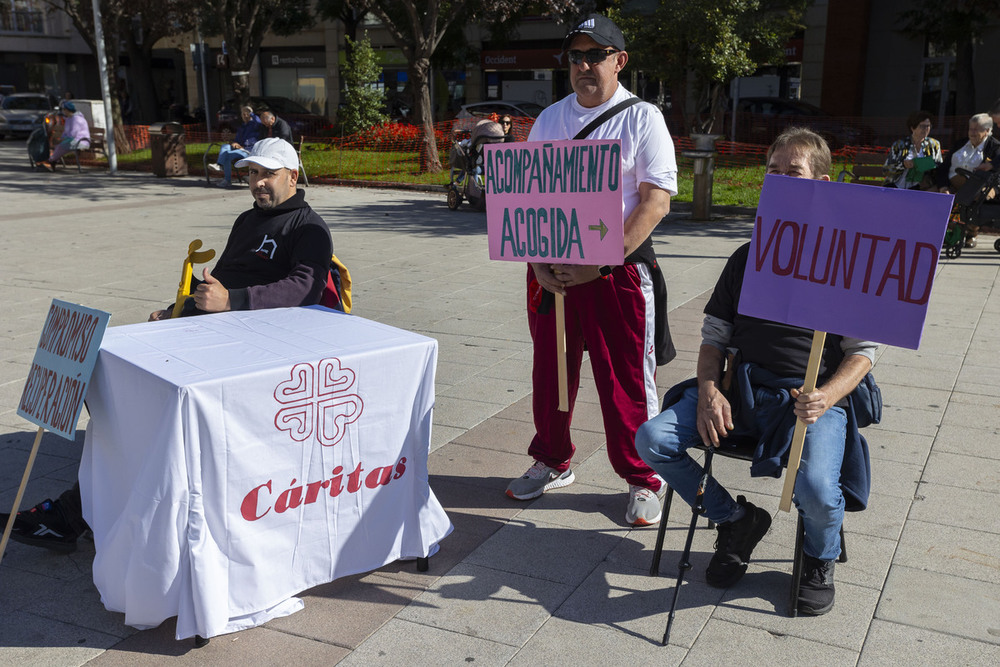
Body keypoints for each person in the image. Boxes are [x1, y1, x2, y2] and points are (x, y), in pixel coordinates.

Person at [3, 137, 336, 553]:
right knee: (104, 361)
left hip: (252, 344)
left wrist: (234, 300)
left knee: (151, 404)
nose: (258, 183)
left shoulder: (308, 228)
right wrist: (173, 308)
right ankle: (106, 468)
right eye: (252, 173)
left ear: (291, 174)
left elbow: (304, 287)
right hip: (208, 329)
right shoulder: (248, 221)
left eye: (267, 174)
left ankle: (75, 513)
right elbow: (217, 277)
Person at [634, 127, 878, 616]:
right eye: (773, 173)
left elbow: (863, 353)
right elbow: (714, 338)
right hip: (739, 391)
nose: (782, 181)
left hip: (811, 399)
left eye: (795, 172)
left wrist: (827, 396)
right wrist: (707, 390)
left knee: (814, 490)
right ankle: (736, 519)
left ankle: (817, 556)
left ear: (822, 183)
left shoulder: (846, 260)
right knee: (651, 440)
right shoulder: (748, 256)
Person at [504, 14, 678, 527]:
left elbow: (656, 202)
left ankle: (645, 476)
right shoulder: (550, 120)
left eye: (595, 55)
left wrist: (598, 263)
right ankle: (553, 459)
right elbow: (523, 199)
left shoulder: (643, 118)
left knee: (623, 378)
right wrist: (537, 262)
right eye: (576, 56)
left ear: (619, 61)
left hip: (615, 272)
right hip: (551, 269)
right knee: (551, 372)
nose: (584, 65)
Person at [935, 113, 999, 247]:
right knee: (931, 193)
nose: (972, 132)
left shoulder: (995, 148)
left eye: (977, 129)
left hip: (979, 185)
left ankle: (970, 234)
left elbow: (995, 173)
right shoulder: (960, 143)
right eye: (971, 129)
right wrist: (943, 186)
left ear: (987, 131)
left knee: (976, 195)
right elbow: (943, 168)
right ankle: (947, 233)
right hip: (952, 184)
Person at [882, 110, 943, 190]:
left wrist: (922, 164)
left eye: (928, 126)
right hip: (896, 186)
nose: (925, 129)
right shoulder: (900, 145)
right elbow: (886, 170)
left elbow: (939, 166)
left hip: (921, 187)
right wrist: (903, 165)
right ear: (912, 128)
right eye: (922, 126)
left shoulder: (934, 144)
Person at [208, 105, 262, 188]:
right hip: (238, 149)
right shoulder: (241, 127)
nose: (245, 116)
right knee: (225, 147)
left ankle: (224, 175)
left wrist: (251, 113)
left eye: (247, 114)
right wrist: (234, 143)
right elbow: (237, 139)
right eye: (243, 114)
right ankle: (220, 166)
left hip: (248, 150)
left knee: (227, 154)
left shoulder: (255, 125)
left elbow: (258, 121)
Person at [38, 100, 90, 172]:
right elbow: (66, 132)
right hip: (73, 140)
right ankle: (53, 160)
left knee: (61, 145)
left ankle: (51, 161)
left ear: (67, 110)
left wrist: (62, 140)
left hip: (81, 141)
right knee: (60, 144)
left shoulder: (76, 119)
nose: (62, 111)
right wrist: (62, 139)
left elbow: (73, 134)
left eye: (63, 109)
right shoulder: (69, 119)